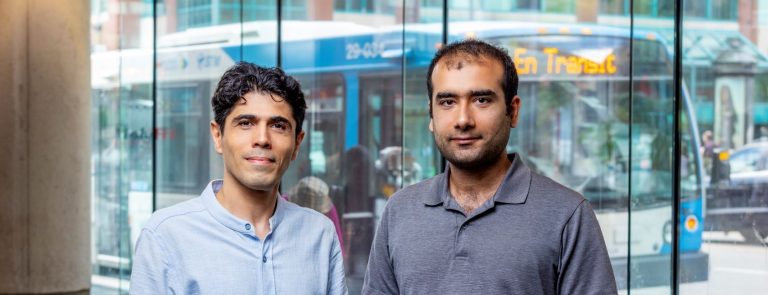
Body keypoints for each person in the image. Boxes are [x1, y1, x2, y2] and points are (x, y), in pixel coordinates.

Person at [363, 40, 617, 294]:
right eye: (448, 102)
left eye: (481, 100)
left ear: (513, 111)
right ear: (431, 114)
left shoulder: (567, 214)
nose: (463, 120)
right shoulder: (399, 210)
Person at [130, 62, 346, 294]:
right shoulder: (165, 236)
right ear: (218, 135)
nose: (262, 139)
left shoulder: (320, 235)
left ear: (297, 144)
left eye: (278, 126)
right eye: (245, 123)